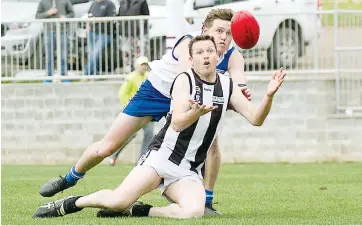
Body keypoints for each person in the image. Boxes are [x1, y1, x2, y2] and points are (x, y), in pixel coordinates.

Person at [33, 35, 286, 219]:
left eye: (210, 51)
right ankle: (72, 202)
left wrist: (269, 96)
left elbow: (256, 118)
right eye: (199, 52)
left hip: (188, 170)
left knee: (193, 212)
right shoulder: (184, 81)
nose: (206, 55)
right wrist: (194, 113)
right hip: (161, 158)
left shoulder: (227, 84)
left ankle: (143, 210)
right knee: (118, 201)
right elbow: (176, 123)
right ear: (192, 59)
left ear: (218, 56)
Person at [109, 56, 155, 166]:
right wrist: (128, 106)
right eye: (142, 65)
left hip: (147, 110)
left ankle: (141, 159)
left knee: (149, 134)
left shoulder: (149, 76)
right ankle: (113, 155)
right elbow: (122, 93)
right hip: (135, 111)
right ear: (137, 66)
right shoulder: (131, 77)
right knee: (129, 135)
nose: (144, 67)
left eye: (145, 65)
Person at [35, 0, 74, 81]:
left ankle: (64, 76)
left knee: (63, 56)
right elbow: (37, 16)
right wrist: (47, 13)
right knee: (49, 56)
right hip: (49, 32)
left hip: (62, 32)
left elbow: (72, 13)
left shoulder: (65, 1)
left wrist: (66, 17)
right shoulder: (43, 2)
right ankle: (49, 77)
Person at [84, 0, 117, 76]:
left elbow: (111, 19)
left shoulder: (110, 4)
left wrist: (97, 20)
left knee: (94, 53)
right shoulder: (94, 4)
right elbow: (89, 17)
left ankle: (86, 73)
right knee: (91, 54)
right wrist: (87, 27)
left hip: (104, 33)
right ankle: (94, 74)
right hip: (92, 33)